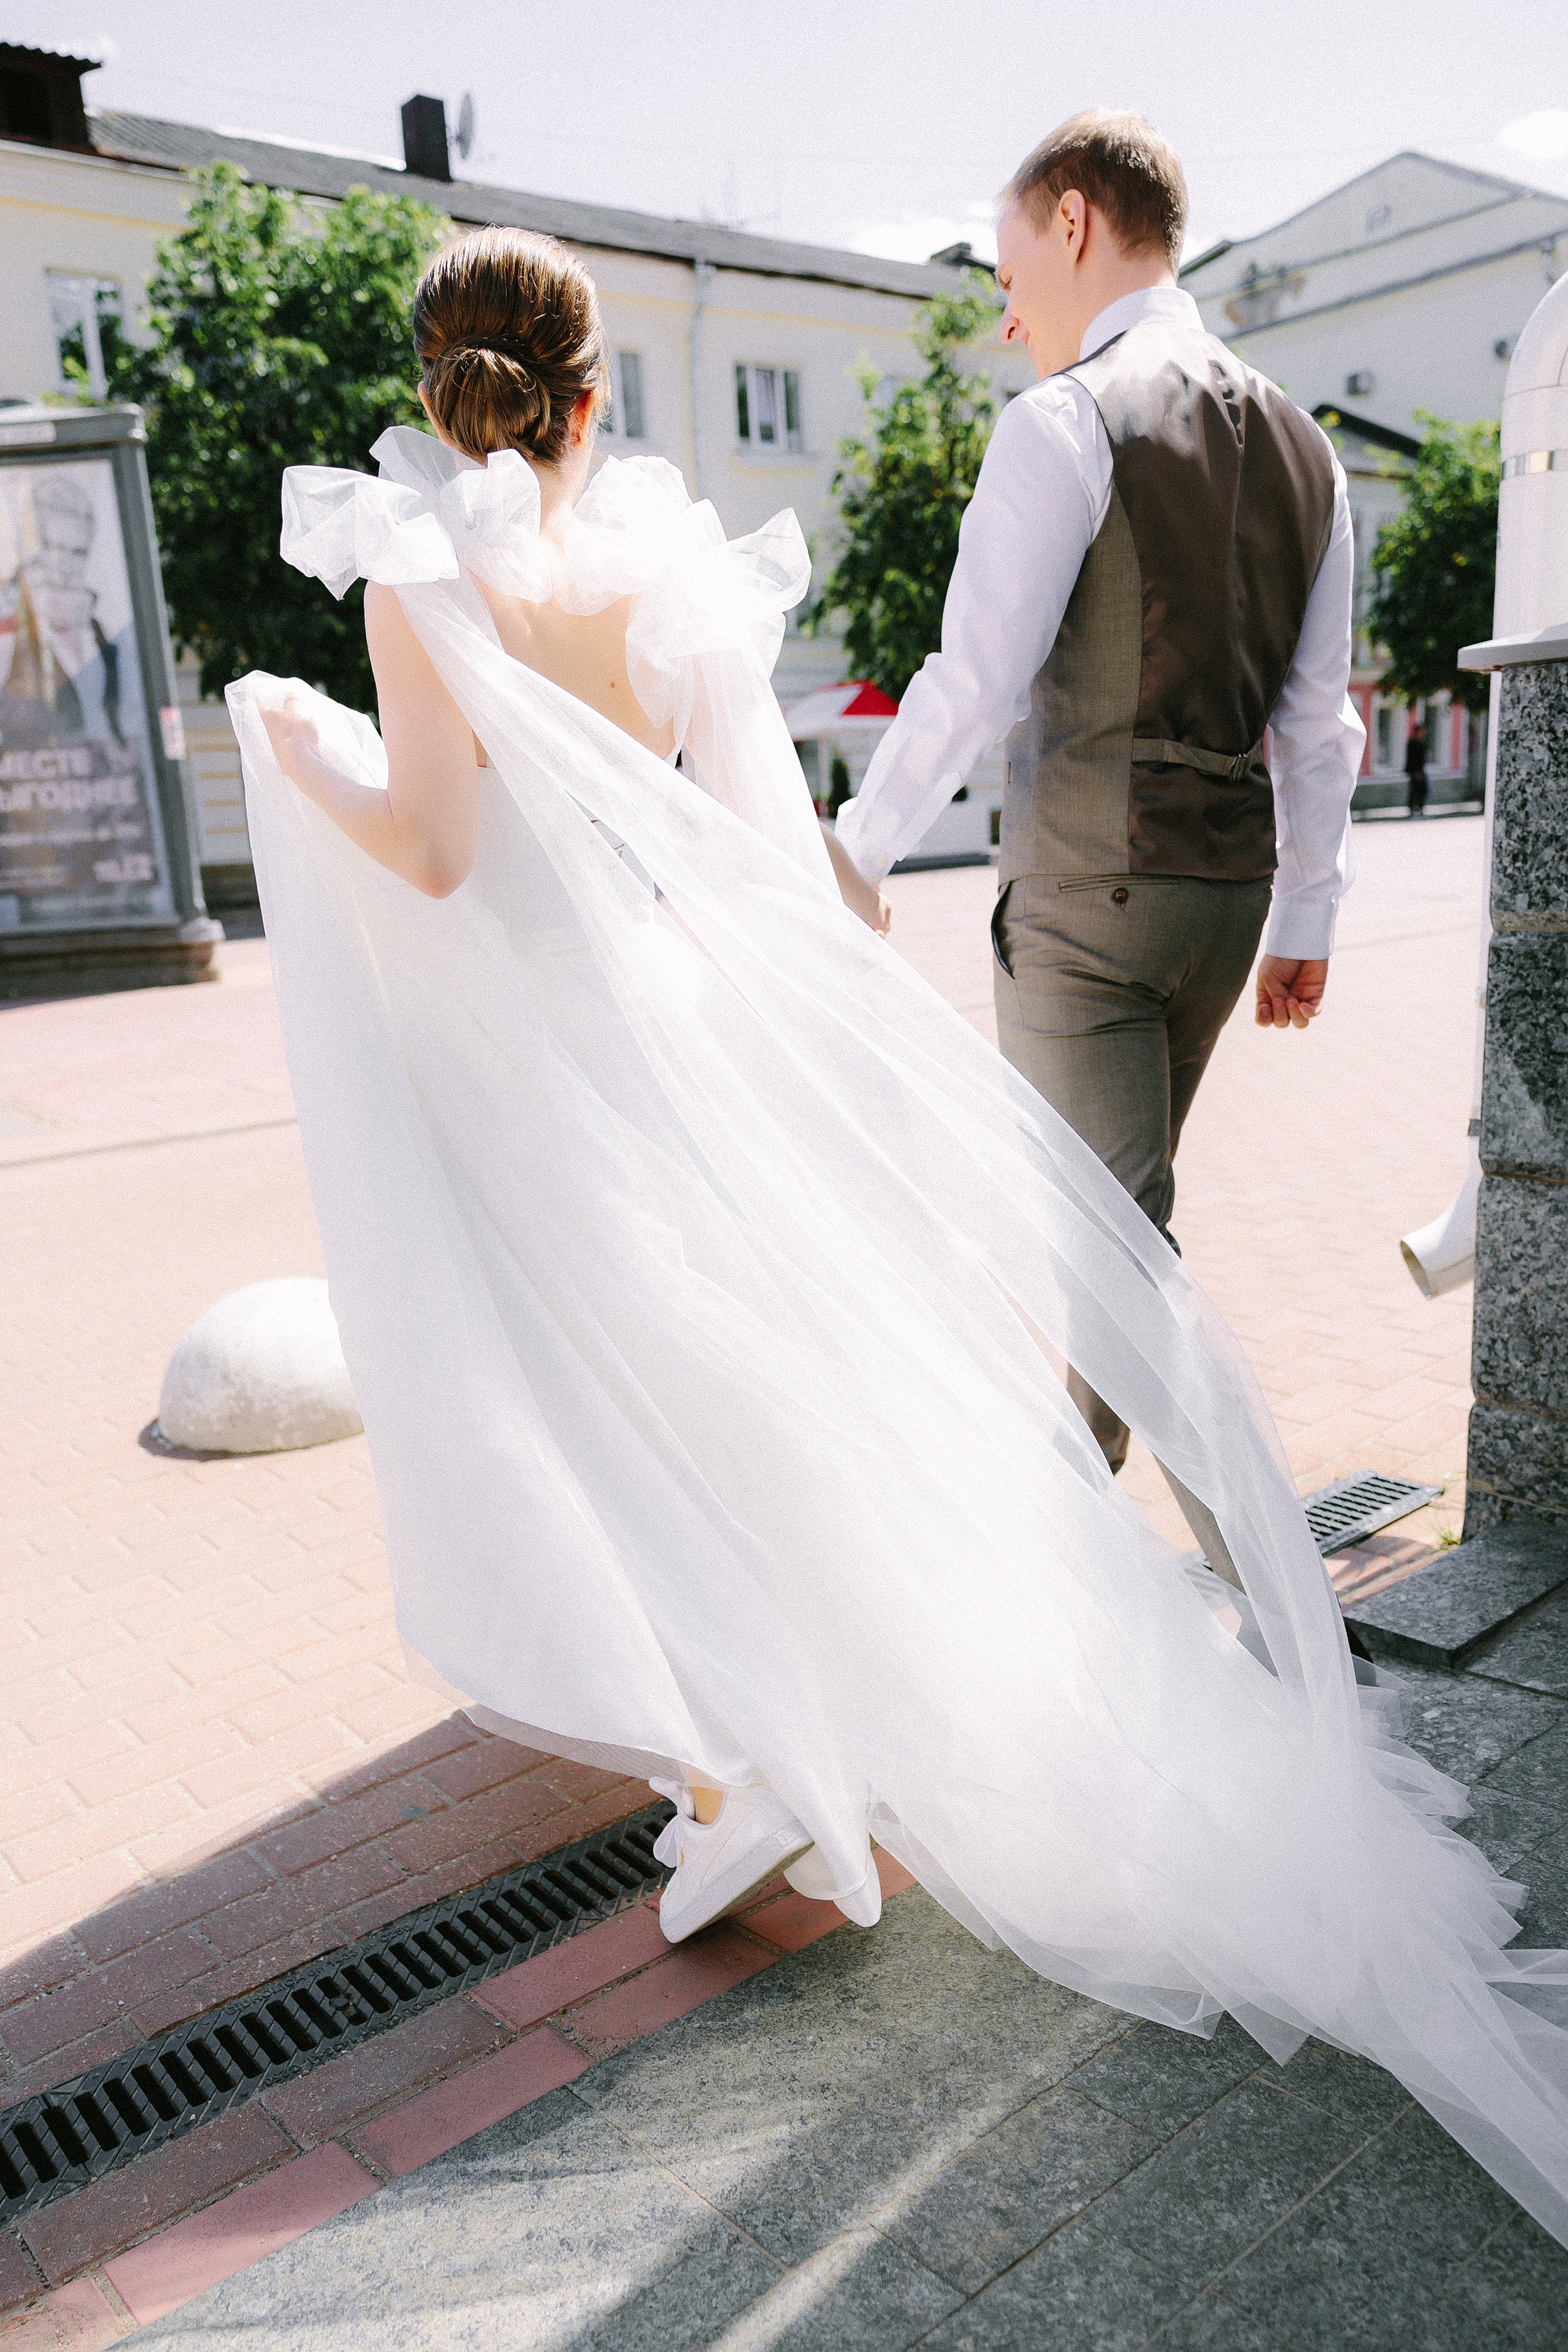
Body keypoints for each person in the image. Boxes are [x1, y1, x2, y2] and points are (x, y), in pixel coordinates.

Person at [233, 224, 1568, 2243]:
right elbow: (756, 850)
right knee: (754, 1395)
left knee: (621, 1410)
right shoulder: (663, 567)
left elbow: (428, 844)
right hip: (683, 1035)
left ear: (438, 395)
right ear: (597, 396)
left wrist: (291, 740)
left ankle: (757, 1769)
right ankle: (783, 1764)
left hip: (546, 1076)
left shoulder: (427, 575)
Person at [836, 113, 1363, 1578]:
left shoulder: (1062, 421)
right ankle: (1064, 1562)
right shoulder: (1310, 448)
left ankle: (1284, 1620)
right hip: (1222, 906)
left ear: (1073, 223)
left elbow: (971, 677)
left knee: (1122, 1264)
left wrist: (857, 847)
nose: (1004, 311)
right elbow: (1318, 728)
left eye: (1007, 267)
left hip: (1084, 902)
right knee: (1113, 1242)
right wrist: (1306, 919)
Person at [1405, 716, 1429, 815]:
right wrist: (1416, 772)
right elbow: (1413, 759)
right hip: (1416, 770)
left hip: (1420, 769)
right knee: (1417, 790)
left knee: (1421, 790)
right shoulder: (1413, 743)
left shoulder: (1421, 742)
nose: (1424, 733)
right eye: (1422, 731)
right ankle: (1414, 808)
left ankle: (1419, 808)